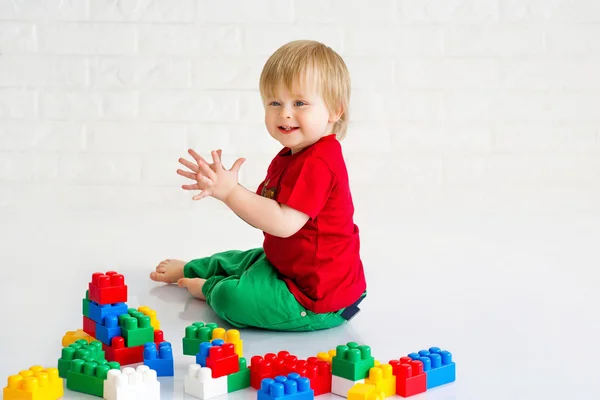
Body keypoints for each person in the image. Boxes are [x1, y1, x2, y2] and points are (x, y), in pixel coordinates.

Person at [150, 40, 366, 331]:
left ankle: (210, 287)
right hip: (287, 266)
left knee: (233, 298)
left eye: (299, 103)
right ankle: (193, 267)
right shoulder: (295, 153)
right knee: (241, 259)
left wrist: (231, 193)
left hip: (316, 299)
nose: (285, 113)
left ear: (334, 111)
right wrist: (222, 186)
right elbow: (266, 208)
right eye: (275, 102)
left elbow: (283, 223)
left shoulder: (319, 162)